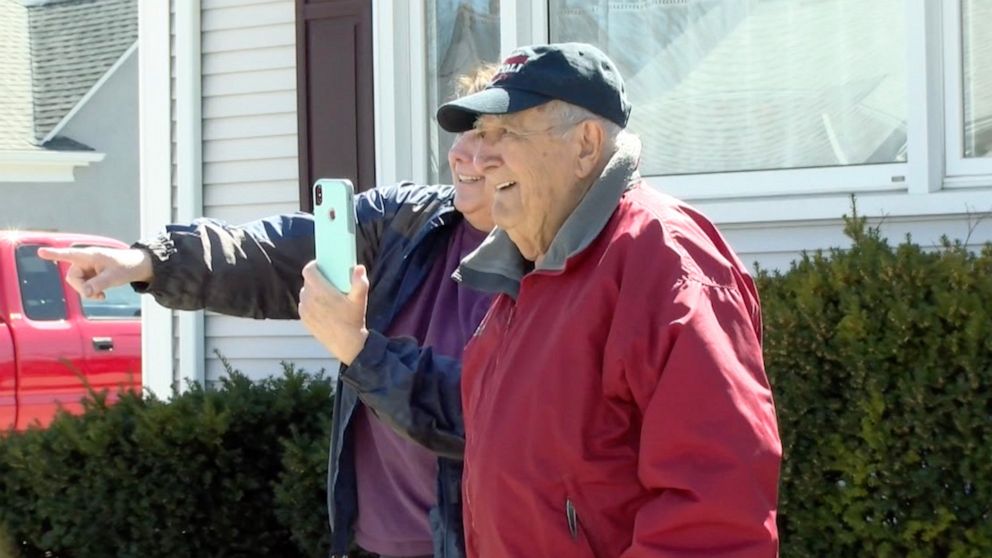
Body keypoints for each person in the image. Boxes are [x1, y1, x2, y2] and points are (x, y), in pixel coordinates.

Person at [331, 43, 782, 556]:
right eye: (479, 133)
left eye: (507, 132)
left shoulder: (666, 263)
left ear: (586, 146)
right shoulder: (524, 272)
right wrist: (357, 345)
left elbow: (714, 519)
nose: (480, 155)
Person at [39, 66, 499, 558]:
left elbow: (473, 413)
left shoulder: (547, 265)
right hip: (372, 541)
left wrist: (358, 350)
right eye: (461, 134)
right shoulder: (407, 221)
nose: (461, 154)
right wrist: (147, 261)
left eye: (488, 137)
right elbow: (268, 253)